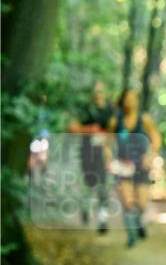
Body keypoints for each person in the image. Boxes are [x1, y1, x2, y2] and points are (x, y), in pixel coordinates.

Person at [107, 89, 161, 248]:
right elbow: (107, 143)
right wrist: (108, 158)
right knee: (127, 201)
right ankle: (131, 235)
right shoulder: (115, 121)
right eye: (127, 98)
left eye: (133, 98)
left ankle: (139, 222)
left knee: (142, 203)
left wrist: (150, 155)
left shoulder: (144, 119)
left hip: (141, 166)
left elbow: (156, 139)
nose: (130, 102)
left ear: (137, 100)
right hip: (122, 165)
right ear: (122, 101)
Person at [68, 80, 113, 233]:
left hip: (104, 152)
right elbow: (72, 128)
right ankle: (85, 208)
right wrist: (89, 130)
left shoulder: (110, 110)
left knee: (103, 186)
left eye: (100, 91)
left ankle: (103, 220)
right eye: (95, 91)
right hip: (86, 151)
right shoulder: (85, 110)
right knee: (88, 183)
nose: (98, 94)